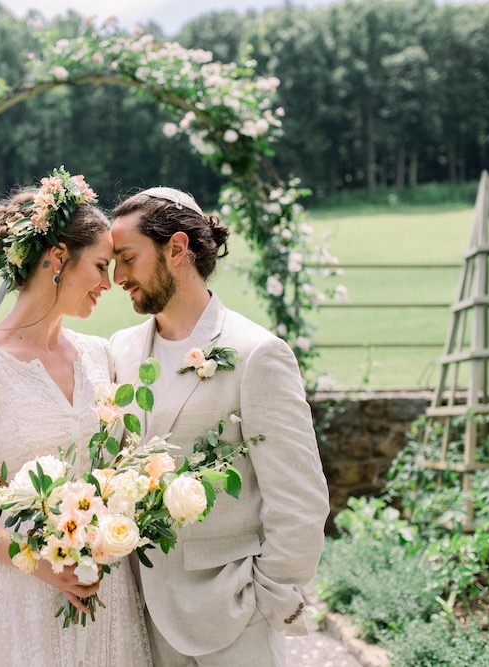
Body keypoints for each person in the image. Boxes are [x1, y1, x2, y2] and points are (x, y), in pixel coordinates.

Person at [0, 169, 152, 666]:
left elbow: (122, 467)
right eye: (100, 266)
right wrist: (38, 562)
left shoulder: (99, 356)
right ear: (58, 258)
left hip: (102, 591)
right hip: (15, 597)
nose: (109, 283)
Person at [108, 187, 330, 666]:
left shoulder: (257, 354)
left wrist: (263, 597)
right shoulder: (119, 351)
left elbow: (300, 498)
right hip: (137, 618)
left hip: (232, 620)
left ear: (177, 248)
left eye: (127, 258)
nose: (117, 276)